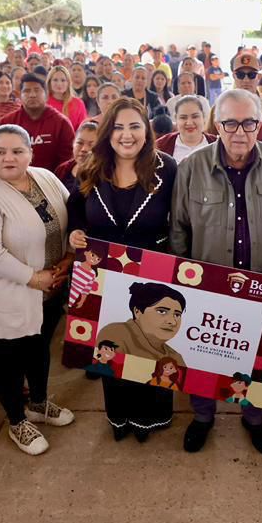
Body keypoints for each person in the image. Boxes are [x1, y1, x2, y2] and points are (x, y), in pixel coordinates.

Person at [171, 88, 262, 455]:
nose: (239, 132)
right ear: (217, 125)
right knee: (203, 356)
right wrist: (181, 284)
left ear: (258, 124)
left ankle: (254, 419)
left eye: (248, 123)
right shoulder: (191, 168)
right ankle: (203, 416)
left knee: (261, 359)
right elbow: (179, 230)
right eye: (230, 123)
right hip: (208, 286)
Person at [69, 98, 178, 441]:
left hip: (154, 276)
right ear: (107, 132)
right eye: (118, 127)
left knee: (151, 347)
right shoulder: (92, 167)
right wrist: (76, 231)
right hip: (103, 279)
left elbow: (181, 219)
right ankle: (120, 416)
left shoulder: (167, 168)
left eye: (134, 126)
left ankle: (149, 418)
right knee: (112, 347)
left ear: (147, 131)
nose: (126, 135)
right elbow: (75, 207)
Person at [0, 124, 74, 456]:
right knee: (9, 360)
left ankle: (38, 403)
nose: (8, 158)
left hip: (50, 289)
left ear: (30, 153)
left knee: (39, 349)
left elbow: (71, 217)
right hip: (9, 292)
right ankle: (16, 420)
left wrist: (68, 258)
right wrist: (35, 278)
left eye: (17, 151)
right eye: (0, 152)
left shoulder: (46, 177)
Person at [0, 73, 75, 173]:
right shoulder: (7, 123)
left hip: (51, 180)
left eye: (37, 90)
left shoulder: (61, 123)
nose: (32, 95)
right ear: (20, 95)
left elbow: (67, 162)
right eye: (27, 91)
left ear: (46, 94)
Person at [156, 94, 216, 162]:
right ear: (176, 119)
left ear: (203, 117)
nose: (189, 123)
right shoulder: (161, 146)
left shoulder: (218, 145)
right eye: (183, 117)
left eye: (195, 116)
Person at [54, 119, 99, 192]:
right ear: (73, 143)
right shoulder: (62, 169)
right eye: (80, 143)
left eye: (91, 144)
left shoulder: (104, 174)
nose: (84, 149)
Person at [46, 66, 86, 131]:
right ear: (49, 82)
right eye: (55, 80)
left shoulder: (78, 103)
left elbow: (83, 129)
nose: (59, 84)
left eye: (63, 80)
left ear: (68, 83)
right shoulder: (43, 103)